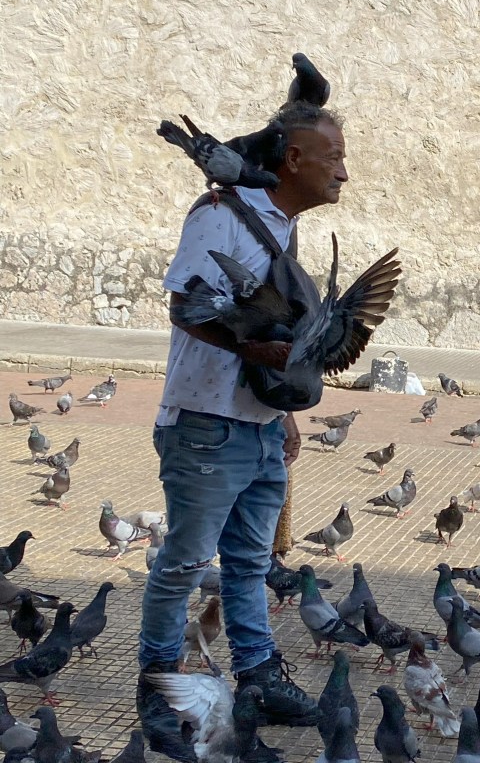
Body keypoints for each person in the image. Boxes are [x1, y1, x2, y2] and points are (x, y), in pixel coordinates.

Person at [137, 101, 348, 760]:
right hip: (205, 425)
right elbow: (184, 305)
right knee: (183, 564)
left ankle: (258, 677)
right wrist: (250, 351)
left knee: (253, 564)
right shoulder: (220, 214)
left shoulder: (283, 227)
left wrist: (283, 411)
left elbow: (273, 327)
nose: (344, 172)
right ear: (294, 160)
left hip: (257, 429)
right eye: (334, 158)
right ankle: (160, 692)